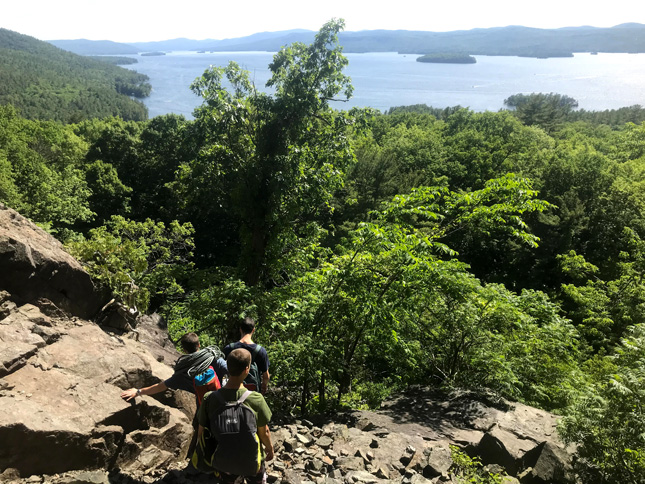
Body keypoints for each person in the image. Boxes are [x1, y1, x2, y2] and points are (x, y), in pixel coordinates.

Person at [197, 348, 274, 484]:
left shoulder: (209, 399)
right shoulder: (256, 399)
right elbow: (264, 432)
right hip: (252, 461)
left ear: (228, 366)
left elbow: (201, 432)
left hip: (223, 461)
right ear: (247, 369)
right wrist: (270, 449)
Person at [120, 332, 227, 402]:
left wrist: (138, 392)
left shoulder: (183, 373)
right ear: (199, 344)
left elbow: (160, 386)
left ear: (184, 350)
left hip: (205, 410)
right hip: (224, 401)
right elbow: (235, 370)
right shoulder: (215, 359)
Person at [223, 317, 270, 394]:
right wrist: (263, 387)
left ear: (240, 329)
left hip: (231, 391)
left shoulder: (229, 348)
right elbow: (266, 376)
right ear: (253, 330)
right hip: (251, 392)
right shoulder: (260, 351)